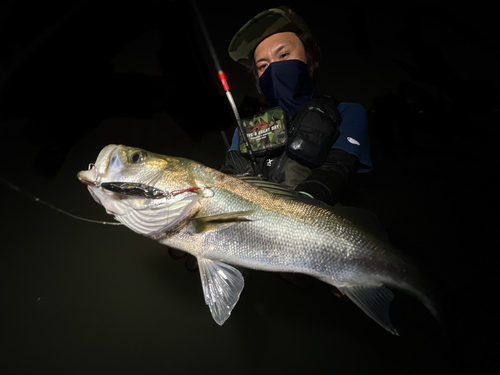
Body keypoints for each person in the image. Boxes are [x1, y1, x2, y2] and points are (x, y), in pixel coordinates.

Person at [220, 6, 372, 207]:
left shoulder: (346, 113)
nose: (274, 69)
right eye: (263, 66)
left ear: (308, 57)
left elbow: (335, 171)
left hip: (316, 226)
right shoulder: (246, 130)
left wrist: (293, 209)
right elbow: (227, 179)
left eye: (283, 56)